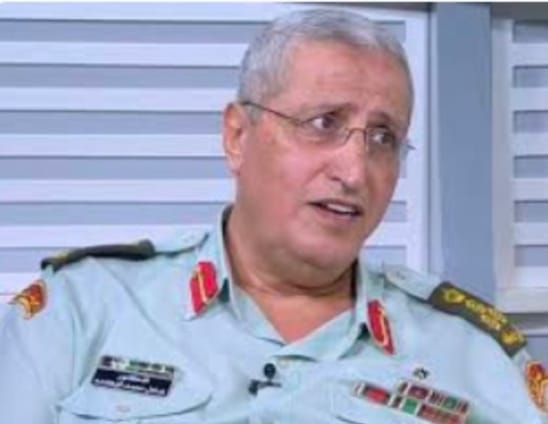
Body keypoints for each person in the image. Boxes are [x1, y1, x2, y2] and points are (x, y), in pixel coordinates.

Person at [0, 8, 546, 424]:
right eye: (324, 123)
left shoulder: (475, 355)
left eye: (384, 138)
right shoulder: (78, 312)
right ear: (237, 135)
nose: (355, 169)